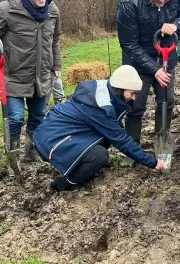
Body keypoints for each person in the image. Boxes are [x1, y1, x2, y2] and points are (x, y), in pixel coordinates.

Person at [33, 65, 164, 192]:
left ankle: (81, 164)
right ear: (120, 88)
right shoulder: (100, 107)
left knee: (105, 139)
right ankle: (61, 184)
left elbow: (116, 128)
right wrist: (152, 162)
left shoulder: (105, 89)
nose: (134, 98)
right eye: (132, 93)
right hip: (52, 141)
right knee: (100, 156)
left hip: (61, 132)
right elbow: (121, 140)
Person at [0, 0, 61, 161]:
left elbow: (55, 40)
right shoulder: (6, 9)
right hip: (13, 76)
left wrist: (56, 65)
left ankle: (31, 151)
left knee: (38, 117)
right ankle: (13, 153)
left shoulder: (53, 11)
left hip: (42, 76)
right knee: (15, 118)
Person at [117, 0, 180, 167]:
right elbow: (129, 45)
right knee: (135, 106)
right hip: (138, 63)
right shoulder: (129, 3)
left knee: (166, 102)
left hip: (166, 57)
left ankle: (162, 141)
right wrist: (154, 69)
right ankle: (131, 151)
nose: (162, 1)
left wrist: (176, 25)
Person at [0, 67, 66, 105]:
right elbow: (0, 64)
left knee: (56, 81)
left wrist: (56, 67)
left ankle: (59, 103)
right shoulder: (14, 46)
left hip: (42, 79)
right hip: (19, 81)